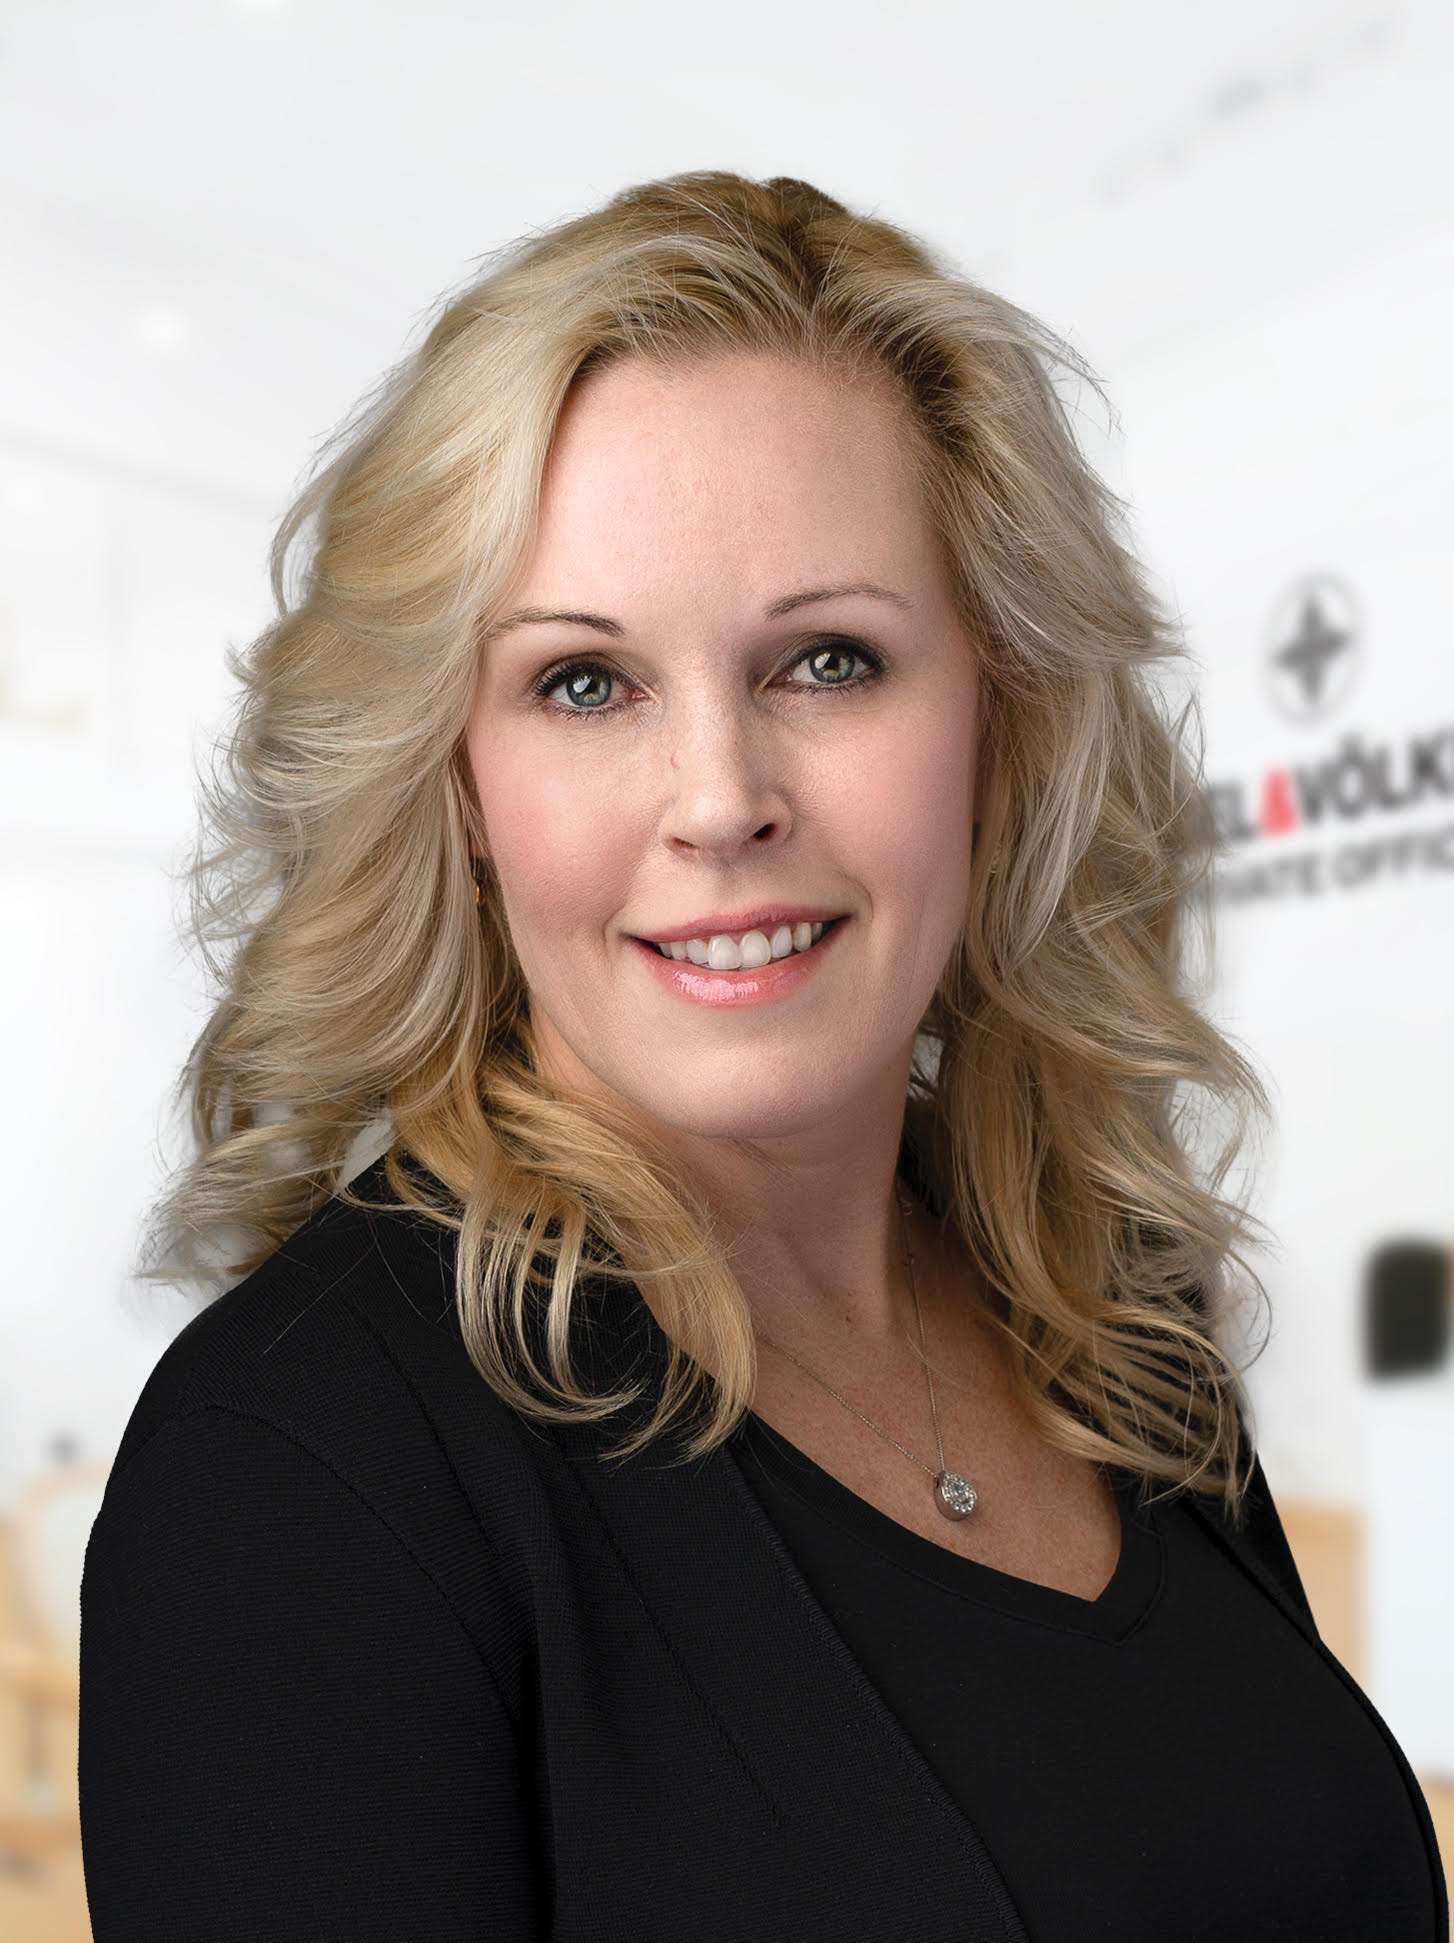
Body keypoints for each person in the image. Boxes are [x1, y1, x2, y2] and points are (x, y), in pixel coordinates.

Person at [77, 171, 1447, 1941]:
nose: (720, 801)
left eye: (828, 661)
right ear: (457, 785)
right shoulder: (300, 1478)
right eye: (584, 684)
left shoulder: (1110, 1318)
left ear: (1001, 717)